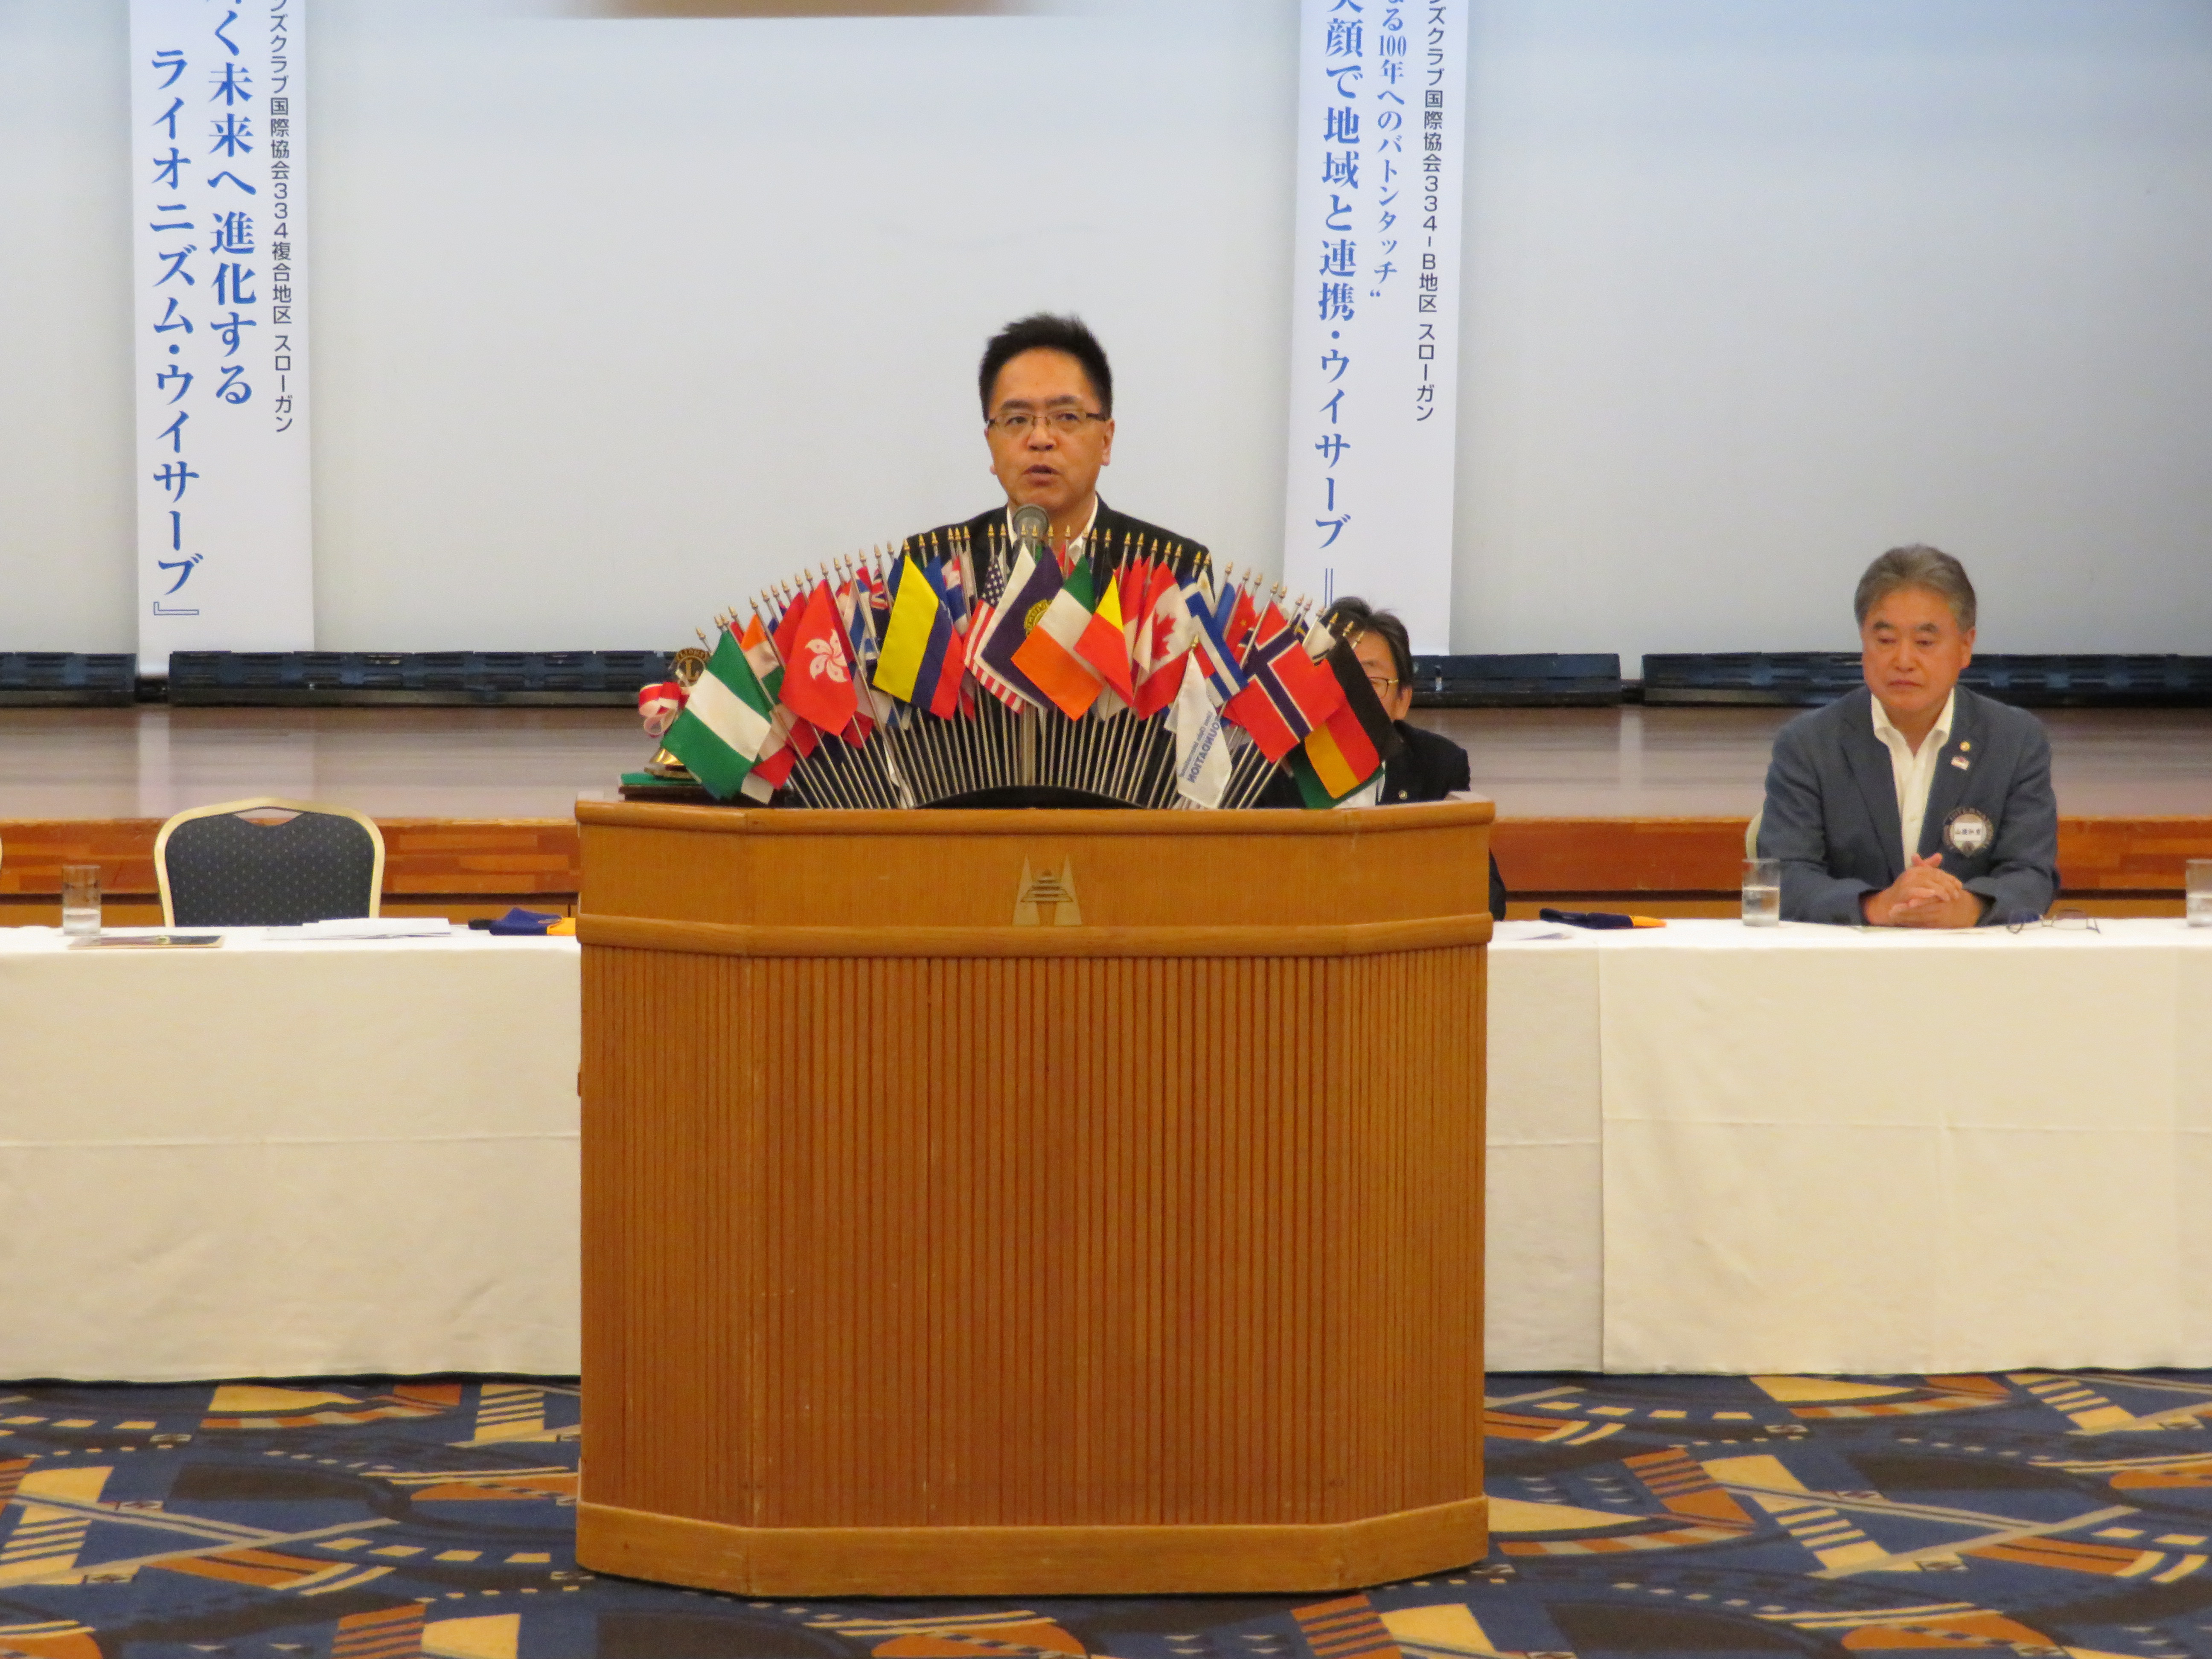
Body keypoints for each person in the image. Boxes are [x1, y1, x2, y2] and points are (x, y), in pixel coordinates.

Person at [1757, 545, 2058, 926]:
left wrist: (1966, 907)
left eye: (1925, 643)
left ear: (1966, 646)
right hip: (1848, 957)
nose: (1903, 661)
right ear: (1863, 642)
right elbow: (1784, 876)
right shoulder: (1808, 744)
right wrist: (1878, 905)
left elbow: (2031, 875)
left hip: (1967, 956)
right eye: (1885, 641)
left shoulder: (2014, 742)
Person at [901, 314, 1209, 605]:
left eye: (1066, 417)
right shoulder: (930, 568)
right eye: (1017, 419)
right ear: (990, 443)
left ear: (1106, 441)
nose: (1040, 439)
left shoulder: (1172, 571)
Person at [1264, 597, 1508, 922]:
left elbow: (1486, 897)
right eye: (1335, 680)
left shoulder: (1436, 767)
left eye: (1370, 683)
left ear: (1403, 700)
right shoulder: (1263, 772)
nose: (1351, 698)